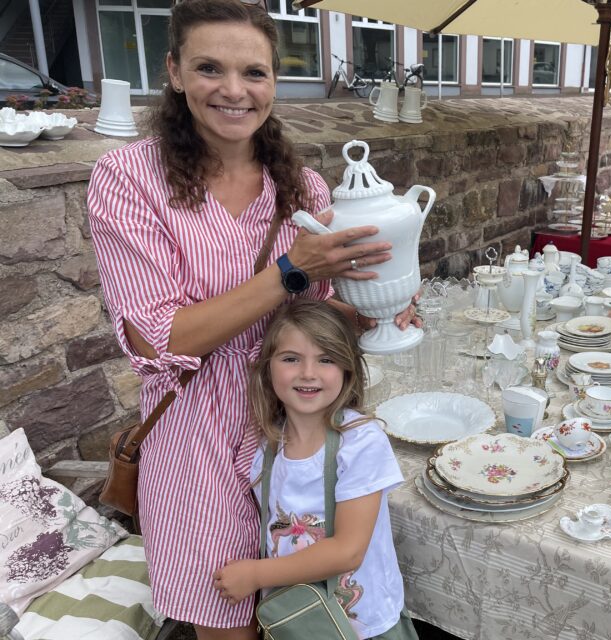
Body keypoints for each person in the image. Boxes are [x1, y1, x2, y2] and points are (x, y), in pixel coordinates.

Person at [87, 1, 415, 637]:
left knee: (308, 615)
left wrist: (373, 314)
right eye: (210, 68)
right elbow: (158, 340)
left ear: (274, 82)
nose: (234, 91)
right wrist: (289, 269)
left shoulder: (303, 190)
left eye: (255, 73)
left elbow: (313, 321)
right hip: (197, 440)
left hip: (296, 433)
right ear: (175, 72)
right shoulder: (128, 178)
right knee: (228, 619)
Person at [214, 300, 416, 639]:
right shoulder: (265, 447)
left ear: (348, 369)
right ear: (268, 368)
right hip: (299, 622)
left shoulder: (359, 442)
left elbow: (348, 550)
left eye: (326, 359)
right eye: (291, 358)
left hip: (362, 626)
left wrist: (255, 575)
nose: (308, 373)